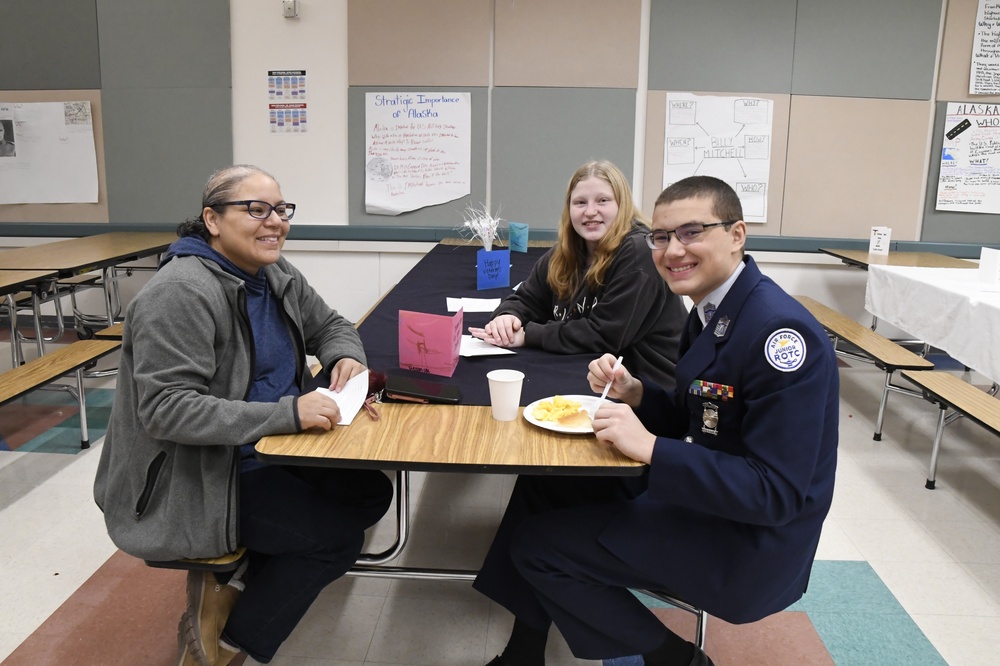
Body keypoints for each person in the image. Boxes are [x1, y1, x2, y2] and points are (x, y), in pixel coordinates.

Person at [473, 176, 839, 666]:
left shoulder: (780, 335)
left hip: (747, 542)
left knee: (539, 548)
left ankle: (675, 659)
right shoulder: (715, 310)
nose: (672, 250)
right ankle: (524, 653)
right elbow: (707, 421)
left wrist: (650, 448)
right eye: (661, 237)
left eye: (691, 233)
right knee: (546, 484)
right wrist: (640, 396)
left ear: (737, 235)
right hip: (707, 498)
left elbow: (775, 494)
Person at [93, 165, 394, 666]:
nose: (274, 221)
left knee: (370, 491)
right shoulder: (179, 293)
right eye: (255, 209)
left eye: (280, 209)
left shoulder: (273, 273)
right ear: (212, 219)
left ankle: (233, 580)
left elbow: (332, 324)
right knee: (333, 543)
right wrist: (288, 413)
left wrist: (344, 356)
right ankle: (225, 645)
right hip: (202, 474)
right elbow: (168, 411)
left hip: (267, 448)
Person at [468, 160, 686, 392]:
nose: (590, 211)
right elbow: (527, 298)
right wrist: (508, 316)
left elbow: (604, 335)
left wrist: (529, 335)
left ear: (623, 205)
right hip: (595, 375)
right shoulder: (566, 252)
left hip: (651, 391)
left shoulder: (639, 252)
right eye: (580, 202)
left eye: (603, 201)